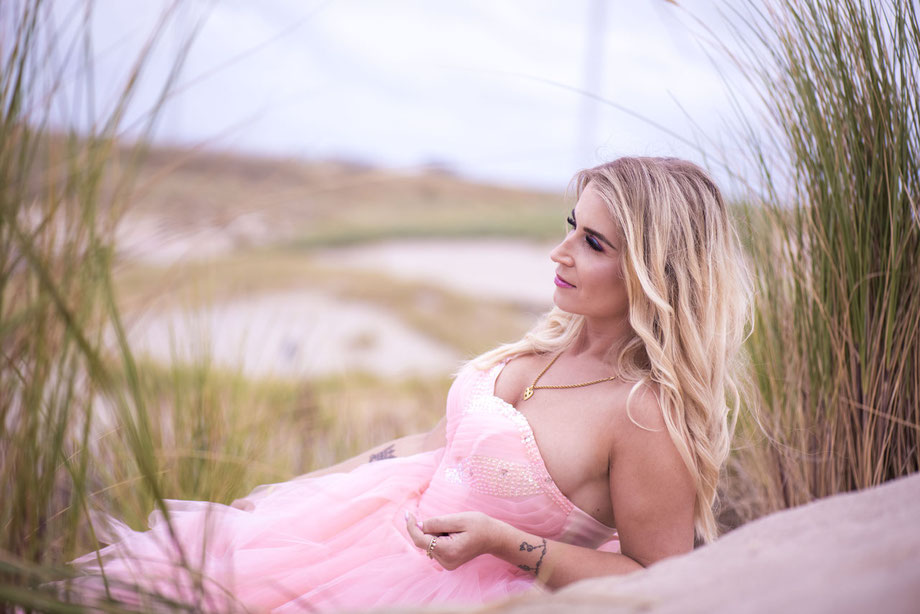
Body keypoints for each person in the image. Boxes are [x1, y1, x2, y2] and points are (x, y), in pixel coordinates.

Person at [66, 156, 752, 612]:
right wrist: (292, 496)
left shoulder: (643, 414)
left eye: (594, 244)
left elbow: (656, 579)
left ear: (657, 274)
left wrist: (501, 541)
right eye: (572, 226)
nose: (560, 251)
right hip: (361, 531)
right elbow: (430, 445)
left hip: (449, 591)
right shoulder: (548, 341)